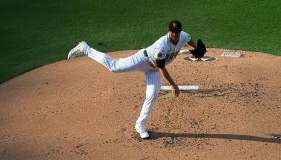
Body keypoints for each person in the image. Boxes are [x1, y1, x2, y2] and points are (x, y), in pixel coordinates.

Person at [67, 20, 202, 139]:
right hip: (142, 60)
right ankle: (85, 48)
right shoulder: (161, 46)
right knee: (114, 67)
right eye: (173, 32)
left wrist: (196, 48)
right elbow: (162, 68)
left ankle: (140, 125)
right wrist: (173, 84)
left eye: (177, 32)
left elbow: (189, 39)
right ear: (169, 31)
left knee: (152, 95)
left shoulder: (183, 36)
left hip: (153, 69)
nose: (175, 35)